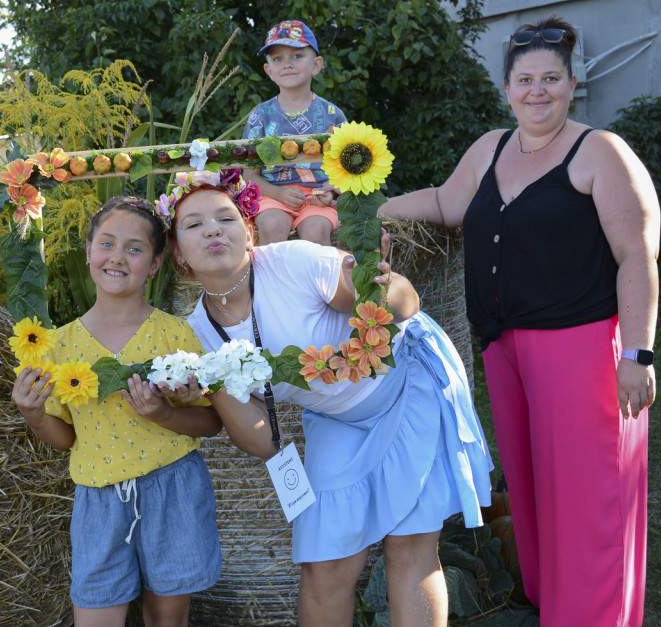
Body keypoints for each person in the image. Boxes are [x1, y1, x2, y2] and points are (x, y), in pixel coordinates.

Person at [380, 15, 660, 627]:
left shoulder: (601, 153)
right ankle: (555, 604)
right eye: (525, 79)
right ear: (506, 88)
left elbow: (637, 254)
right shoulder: (491, 148)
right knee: (534, 494)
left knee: (590, 497)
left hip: (581, 347)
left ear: (572, 83)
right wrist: (369, 210)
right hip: (503, 350)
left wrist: (638, 354)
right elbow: (445, 205)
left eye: (551, 78)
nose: (538, 90)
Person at [161, 173, 494, 627]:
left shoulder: (294, 262)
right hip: (336, 417)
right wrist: (215, 380)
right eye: (194, 225)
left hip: (405, 384)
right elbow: (263, 442)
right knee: (325, 562)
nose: (214, 229)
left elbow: (403, 302)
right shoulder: (197, 335)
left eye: (226, 217)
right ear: (178, 253)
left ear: (250, 231)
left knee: (409, 544)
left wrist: (383, 284)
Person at [12, 196, 223, 627]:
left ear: (156, 262)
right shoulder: (60, 344)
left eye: (134, 248)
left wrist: (163, 415)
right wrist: (33, 414)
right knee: (95, 616)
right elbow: (66, 437)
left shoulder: (174, 334)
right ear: (88, 251)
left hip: (172, 489)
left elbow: (211, 419)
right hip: (100, 498)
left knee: (167, 618)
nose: (117, 257)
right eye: (106, 244)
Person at [241, 19, 348, 245]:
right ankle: (274, 281)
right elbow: (249, 175)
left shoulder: (332, 115)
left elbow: (346, 169)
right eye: (278, 59)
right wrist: (279, 195)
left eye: (297, 56)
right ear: (269, 71)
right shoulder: (260, 116)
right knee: (271, 225)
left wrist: (331, 192)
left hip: (318, 198)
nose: (287, 64)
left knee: (316, 231)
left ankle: (318, 281)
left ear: (316, 65)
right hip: (272, 193)